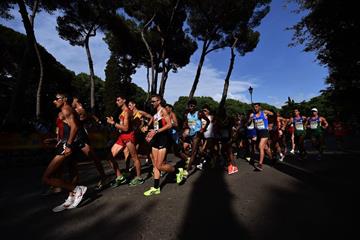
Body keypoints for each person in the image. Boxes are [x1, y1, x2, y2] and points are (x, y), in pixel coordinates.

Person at [42, 94, 87, 212]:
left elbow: (75, 127)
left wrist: (68, 145)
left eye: (56, 99)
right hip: (65, 143)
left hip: (67, 144)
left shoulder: (66, 109)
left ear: (64, 99)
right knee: (72, 170)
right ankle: (71, 196)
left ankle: (77, 190)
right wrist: (54, 140)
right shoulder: (64, 110)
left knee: (47, 177)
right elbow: (68, 128)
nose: (54, 101)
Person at [143, 95, 184, 196]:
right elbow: (155, 126)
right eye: (151, 102)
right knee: (155, 165)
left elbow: (169, 125)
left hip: (163, 140)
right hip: (156, 140)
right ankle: (156, 187)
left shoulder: (163, 110)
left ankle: (178, 171)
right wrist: (149, 131)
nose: (151, 103)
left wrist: (156, 131)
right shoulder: (155, 112)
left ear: (159, 101)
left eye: (153, 101)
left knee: (159, 165)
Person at [106, 95, 144, 187]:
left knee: (134, 157)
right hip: (122, 136)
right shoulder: (123, 112)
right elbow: (124, 126)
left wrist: (113, 123)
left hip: (128, 136)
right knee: (110, 157)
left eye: (118, 100)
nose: (116, 102)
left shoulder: (127, 112)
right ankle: (120, 177)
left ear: (124, 100)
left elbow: (126, 128)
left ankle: (139, 178)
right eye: (116, 100)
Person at [71, 96, 108, 190]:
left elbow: (84, 119)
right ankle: (73, 186)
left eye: (73, 101)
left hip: (81, 137)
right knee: (71, 162)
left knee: (94, 158)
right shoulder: (75, 109)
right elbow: (91, 115)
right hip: (75, 137)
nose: (71, 102)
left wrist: (97, 123)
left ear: (76, 101)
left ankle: (104, 178)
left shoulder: (80, 109)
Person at [182, 99, 210, 177]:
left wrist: (203, 129)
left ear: (195, 106)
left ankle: (187, 171)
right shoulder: (187, 114)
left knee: (194, 152)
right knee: (197, 150)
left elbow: (208, 121)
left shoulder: (199, 113)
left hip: (197, 135)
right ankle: (206, 156)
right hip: (190, 134)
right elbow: (187, 123)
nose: (191, 107)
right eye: (189, 105)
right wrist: (185, 129)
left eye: (192, 105)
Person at [251, 103, 273, 171]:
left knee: (260, 147)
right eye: (254, 107)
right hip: (258, 133)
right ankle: (272, 159)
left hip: (264, 132)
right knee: (265, 148)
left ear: (260, 107)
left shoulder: (264, 113)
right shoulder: (253, 115)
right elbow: (254, 126)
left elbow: (272, 114)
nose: (255, 108)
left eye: (257, 107)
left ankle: (260, 165)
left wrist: (268, 112)